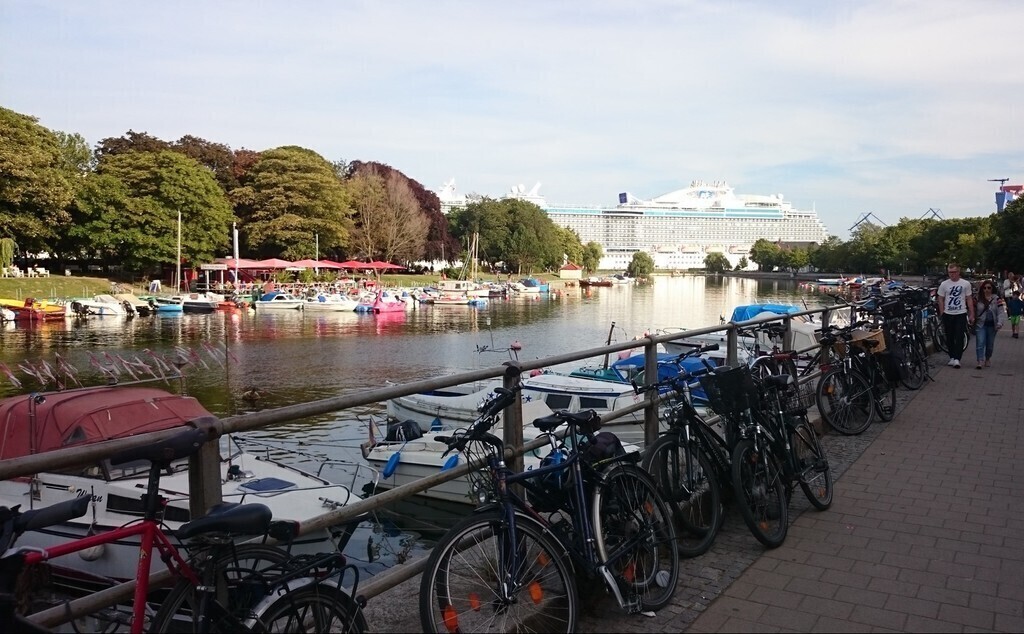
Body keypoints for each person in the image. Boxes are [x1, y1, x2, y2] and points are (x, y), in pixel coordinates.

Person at [936, 263, 974, 369]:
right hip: (948, 313)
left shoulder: (965, 284)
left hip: (960, 313)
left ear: (958, 272)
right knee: (949, 336)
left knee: (959, 335)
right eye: (950, 273)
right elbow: (940, 298)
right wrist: (942, 311)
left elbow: (969, 298)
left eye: (954, 272)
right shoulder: (944, 284)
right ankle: (952, 356)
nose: (952, 275)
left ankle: (957, 358)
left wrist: (971, 313)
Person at [973, 280, 1006, 369]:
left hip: (992, 325)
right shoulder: (977, 298)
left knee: (990, 344)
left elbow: (1000, 312)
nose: (986, 290)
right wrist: (971, 317)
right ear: (982, 289)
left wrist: (1000, 322)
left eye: (989, 288)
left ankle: (987, 358)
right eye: (984, 288)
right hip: (981, 324)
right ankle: (980, 360)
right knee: (980, 342)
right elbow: (972, 310)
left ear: (992, 289)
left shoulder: (997, 299)